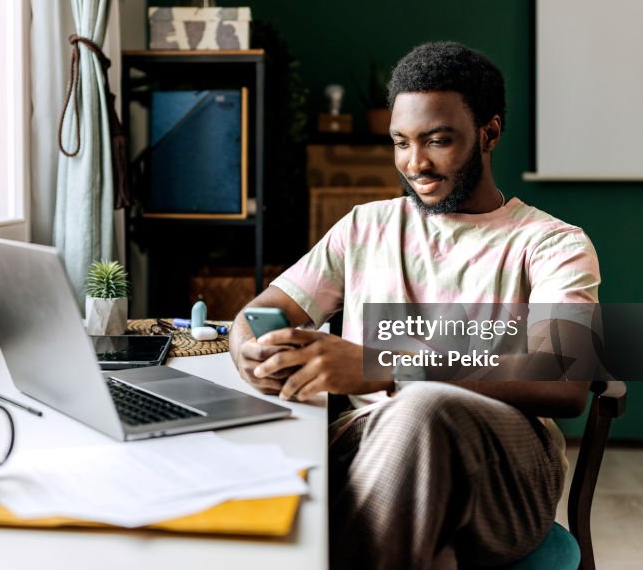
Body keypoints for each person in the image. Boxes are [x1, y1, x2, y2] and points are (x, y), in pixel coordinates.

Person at [228, 42, 601, 569]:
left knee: (421, 409)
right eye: (401, 143)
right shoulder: (365, 226)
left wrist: (381, 366)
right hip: (367, 452)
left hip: (505, 475)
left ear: (489, 133)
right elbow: (261, 310)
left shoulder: (552, 245)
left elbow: (562, 382)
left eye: (438, 141)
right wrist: (246, 347)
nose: (415, 163)